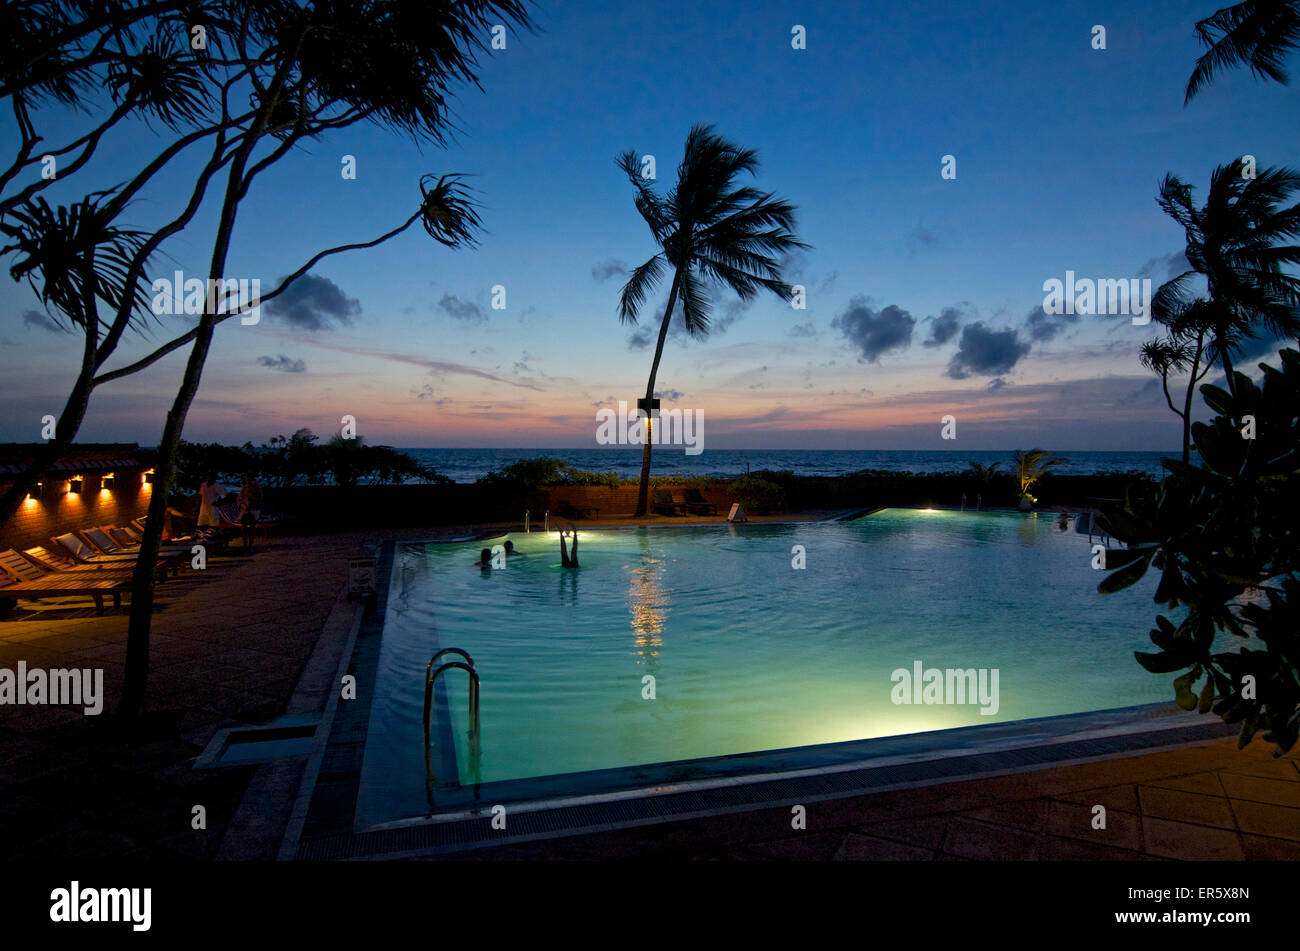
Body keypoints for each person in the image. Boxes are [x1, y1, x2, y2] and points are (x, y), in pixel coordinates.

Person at [237, 474, 264, 551]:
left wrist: (252, 497)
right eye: (246, 480)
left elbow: (260, 499)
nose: (248, 481)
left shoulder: (257, 488)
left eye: (249, 480)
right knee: (243, 526)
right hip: (245, 510)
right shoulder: (244, 488)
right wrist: (242, 505)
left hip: (254, 509)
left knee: (252, 526)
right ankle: (245, 544)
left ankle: (250, 545)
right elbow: (239, 499)